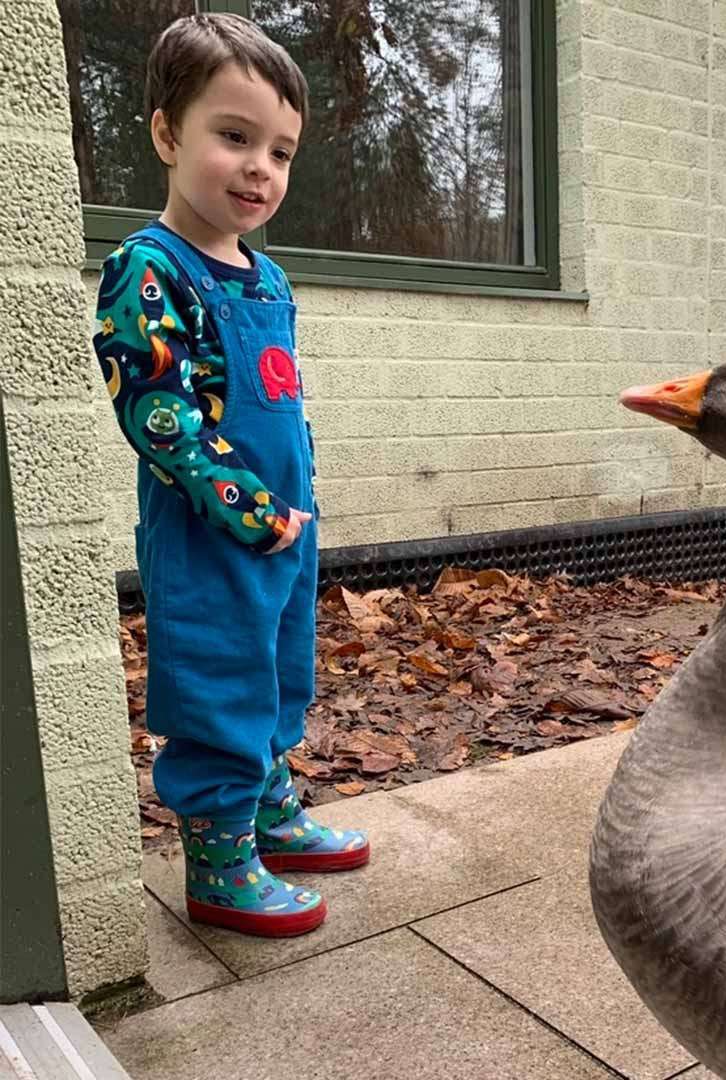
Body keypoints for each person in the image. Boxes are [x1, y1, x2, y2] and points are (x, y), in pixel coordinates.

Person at [92, 12, 368, 938]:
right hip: (211, 533)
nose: (261, 169)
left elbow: (282, 407)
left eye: (281, 151)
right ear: (169, 134)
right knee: (218, 680)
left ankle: (272, 816)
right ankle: (217, 865)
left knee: (279, 671)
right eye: (235, 137)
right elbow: (157, 416)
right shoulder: (149, 268)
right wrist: (247, 509)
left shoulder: (266, 277)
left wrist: (298, 505)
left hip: (285, 524)